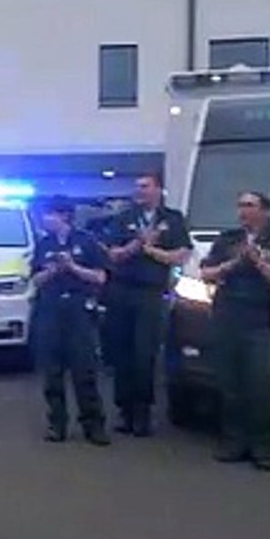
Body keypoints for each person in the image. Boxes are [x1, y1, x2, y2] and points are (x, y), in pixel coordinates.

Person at [199, 191, 270, 471]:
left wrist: (259, 263)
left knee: (261, 386)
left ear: (265, 211)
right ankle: (234, 443)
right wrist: (234, 262)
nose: (243, 211)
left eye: (249, 206)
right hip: (228, 317)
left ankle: (262, 448)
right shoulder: (228, 239)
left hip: (261, 320)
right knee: (230, 384)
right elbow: (206, 274)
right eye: (240, 205)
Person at [101, 173, 191, 436]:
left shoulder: (172, 219)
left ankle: (143, 412)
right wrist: (138, 243)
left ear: (158, 189)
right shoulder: (124, 218)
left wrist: (152, 251)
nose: (139, 191)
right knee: (122, 353)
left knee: (145, 353)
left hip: (151, 294)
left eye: (145, 186)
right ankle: (124, 411)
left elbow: (181, 255)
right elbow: (114, 255)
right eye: (137, 186)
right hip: (122, 291)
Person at [32, 196, 110, 445]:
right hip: (50, 309)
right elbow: (35, 280)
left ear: (64, 215)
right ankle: (57, 423)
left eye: (50, 214)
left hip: (79, 310)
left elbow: (100, 277)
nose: (46, 219)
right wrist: (54, 269)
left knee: (83, 370)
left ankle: (93, 425)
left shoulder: (86, 242)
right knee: (52, 371)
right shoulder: (44, 244)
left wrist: (73, 267)